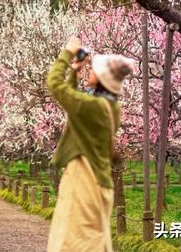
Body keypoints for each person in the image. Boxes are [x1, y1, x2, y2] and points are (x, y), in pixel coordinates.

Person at [46, 36, 135, 252]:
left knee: (74, 242)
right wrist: (75, 72)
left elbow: (54, 85)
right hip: (99, 182)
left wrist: (66, 54)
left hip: (84, 180)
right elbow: (75, 104)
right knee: (91, 241)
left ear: (103, 78)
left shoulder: (92, 107)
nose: (91, 70)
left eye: (95, 69)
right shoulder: (110, 106)